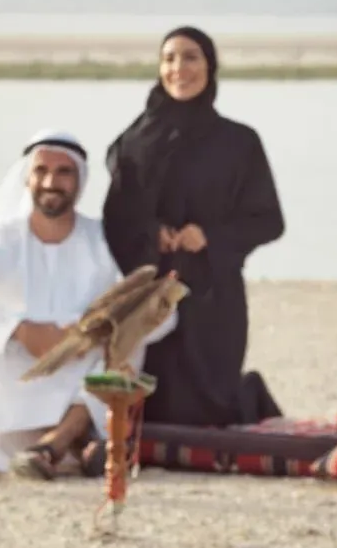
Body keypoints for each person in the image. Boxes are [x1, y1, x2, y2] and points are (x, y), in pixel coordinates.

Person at [0, 130, 176, 480]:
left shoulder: (105, 238)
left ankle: (56, 444)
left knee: (126, 349)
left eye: (64, 172)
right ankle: (80, 445)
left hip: (83, 359)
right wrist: (20, 330)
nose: (50, 182)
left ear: (80, 181)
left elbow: (160, 310)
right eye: (41, 170)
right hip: (14, 362)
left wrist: (94, 333)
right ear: (26, 177)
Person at [100, 26, 286, 428]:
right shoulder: (133, 143)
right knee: (154, 409)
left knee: (208, 413)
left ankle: (248, 392)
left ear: (210, 67)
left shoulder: (239, 142)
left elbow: (269, 221)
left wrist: (211, 236)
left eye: (190, 57)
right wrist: (153, 233)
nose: (178, 68)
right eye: (169, 58)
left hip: (213, 294)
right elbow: (115, 219)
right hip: (148, 294)